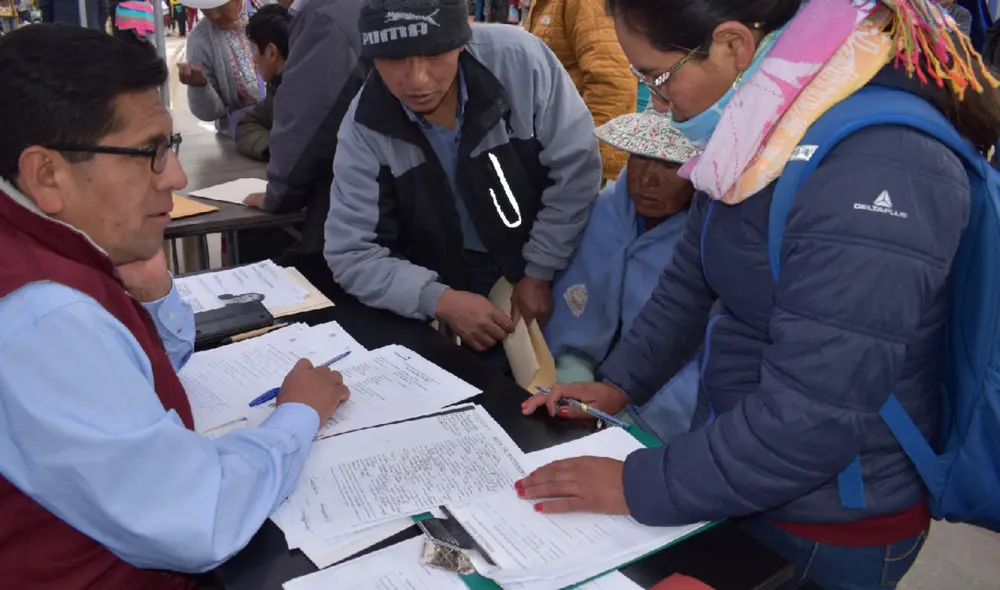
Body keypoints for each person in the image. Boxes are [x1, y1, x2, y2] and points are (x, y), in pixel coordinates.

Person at [516, 0, 1000, 588]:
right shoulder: (767, 116)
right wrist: (620, 383)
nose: (659, 111)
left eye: (658, 81)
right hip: (737, 469)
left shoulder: (881, 161)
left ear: (733, 46)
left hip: (831, 519)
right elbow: (692, 276)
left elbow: (813, 416)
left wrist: (636, 484)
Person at [0, 25, 350, 589]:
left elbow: (137, 367)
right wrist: (297, 416)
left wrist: (152, 290)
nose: (177, 177)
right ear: (47, 174)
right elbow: (199, 518)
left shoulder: (45, 246)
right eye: (150, 153)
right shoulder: (40, 316)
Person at [325, 0, 602, 359]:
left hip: (556, 251)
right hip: (445, 274)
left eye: (434, 53)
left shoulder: (521, 62)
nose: (417, 80)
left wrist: (541, 269)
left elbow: (577, 168)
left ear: (461, 41)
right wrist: (440, 300)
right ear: (371, 56)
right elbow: (350, 251)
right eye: (394, 59)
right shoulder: (364, 125)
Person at [543, 111, 700, 442]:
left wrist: (623, 406)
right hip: (589, 391)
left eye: (671, 166)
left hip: (671, 412)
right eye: (641, 158)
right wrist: (572, 365)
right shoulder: (605, 210)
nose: (647, 181)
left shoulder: (711, 241)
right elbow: (576, 301)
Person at [241, 0, 369, 258]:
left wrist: (277, 193)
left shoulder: (327, 19)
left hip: (351, 206)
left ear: (272, 52)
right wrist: (271, 147)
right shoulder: (333, 14)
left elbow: (308, 123)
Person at [524, 0, 636, 183]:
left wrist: (590, 158)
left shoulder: (585, 3)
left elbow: (612, 81)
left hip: (574, 160)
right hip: (550, 149)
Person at [179, 0, 265, 136]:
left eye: (219, 6)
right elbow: (211, 113)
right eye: (205, 10)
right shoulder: (200, 39)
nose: (214, 16)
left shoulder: (269, 10)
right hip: (242, 136)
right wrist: (200, 87)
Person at [235, 3, 290, 161]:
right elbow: (247, 124)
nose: (253, 58)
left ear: (271, 52)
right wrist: (273, 149)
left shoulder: (296, 93)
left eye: (254, 49)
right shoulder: (278, 89)